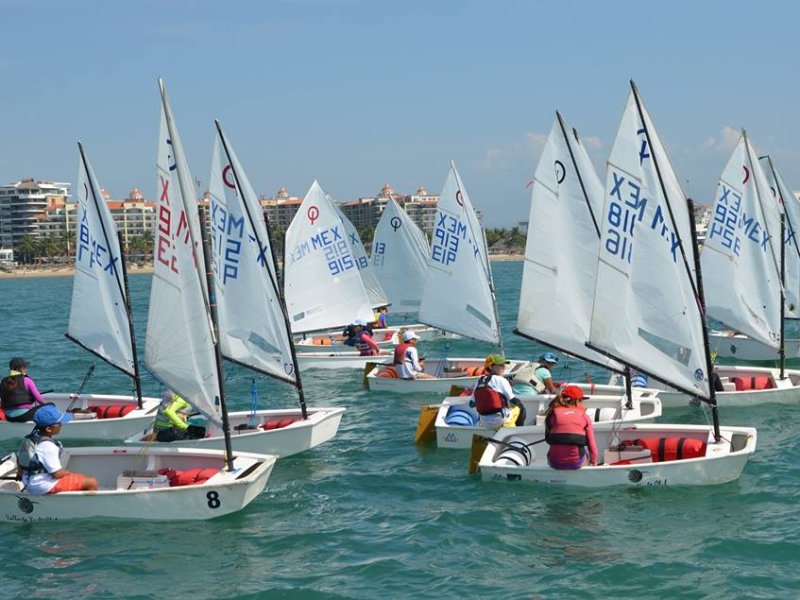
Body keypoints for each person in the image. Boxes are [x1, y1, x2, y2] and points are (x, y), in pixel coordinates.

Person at [16, 405, 99, 494]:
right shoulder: (48, 446)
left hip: (28, 482)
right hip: (43, 486)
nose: (61, 425)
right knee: (91, 482)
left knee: (79, 478)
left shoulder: (29, 440)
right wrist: (68, 473)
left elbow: (19, 459)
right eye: (59, 423)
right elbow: (57, 474)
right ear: (48, 429)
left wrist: (20, 474)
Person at [544, 384, 598, 470]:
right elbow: (592, 447)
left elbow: (548, 440)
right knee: (586, 454)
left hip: (554, 463)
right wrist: (593, 462)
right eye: (582, 401)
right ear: (577, 401)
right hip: (576, 463)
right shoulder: (585, 417)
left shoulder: (553, 415)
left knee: (552, 452)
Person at [471, 354, 526, 428]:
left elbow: (471, 404)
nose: (504, 367)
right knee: (520, 407)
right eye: (500, 365)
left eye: (504, 365)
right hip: (499, 420)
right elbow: (514, 400)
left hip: (484, 422)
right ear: (491, 367)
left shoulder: (479, 381)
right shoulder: (501, 380)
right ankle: (517, 430)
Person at [0, 357, 51, 422]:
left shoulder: (4, 382)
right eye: (24, 367)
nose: (25, 369)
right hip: (23, 416)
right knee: (50, 405)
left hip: (8, 417)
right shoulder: (27, 380)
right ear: (20, 369)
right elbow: (40, 400)